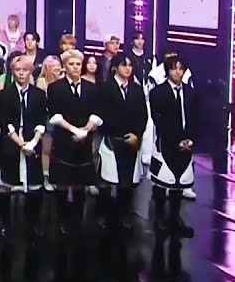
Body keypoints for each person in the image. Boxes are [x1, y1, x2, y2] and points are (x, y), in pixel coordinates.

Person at [46, 49, 103, 234]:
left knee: (80, 184)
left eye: (78, 64)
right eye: (71, 64)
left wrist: (84, 131)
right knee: (62, 183)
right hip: (64, 139)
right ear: (65, 66)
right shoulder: (55, 88)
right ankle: (62, 219)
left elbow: (96, 114)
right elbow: (55, 115)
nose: (76, 67)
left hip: (84, 141)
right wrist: (74, 130)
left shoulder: (92, 88)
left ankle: (77, 220)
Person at [0, 54, 48, 237]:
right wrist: (20, 143)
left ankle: (33, 223)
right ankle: (4, 223)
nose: (21, 73)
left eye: (25, 70)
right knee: (6, 185)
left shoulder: (39, 95)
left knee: (34, 185)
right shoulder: (4, 95)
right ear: (13, 72)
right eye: (18, 70)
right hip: (11, 143)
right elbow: (5, 122)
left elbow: (41, 120)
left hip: (33, 143)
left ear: (30, 71)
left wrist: (32, 142)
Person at [96, 54, 148, 228]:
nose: (128, 69)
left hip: (132, 140)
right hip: (112, 138)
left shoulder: (136, 89)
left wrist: (136, 135)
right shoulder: (105, 88)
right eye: (124, 65)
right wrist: (116, 131)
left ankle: (123, 215)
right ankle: (103, 215)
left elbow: (143, 115)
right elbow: (102, 114)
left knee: (127, 182)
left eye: (130, 65)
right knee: (106, 180)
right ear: (115, 67)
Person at [149, 56, 196, 237]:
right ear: (167, 70)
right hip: (166, 143)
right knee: (162, 182)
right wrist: (176, 140)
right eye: (174, 68)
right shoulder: (158, 92)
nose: (177, 72)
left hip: (186, 144)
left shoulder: (191, 92)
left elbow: (196, 117)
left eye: (180, 68)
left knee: (180, 181)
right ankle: (159, 217)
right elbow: (158, 120)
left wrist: (190, 139)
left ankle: (175, 218)